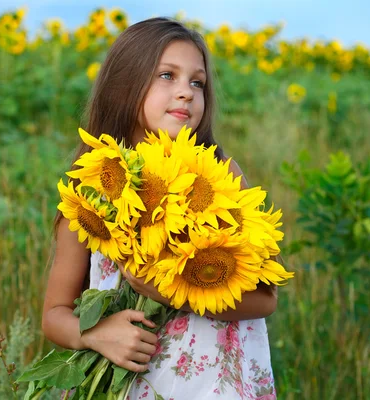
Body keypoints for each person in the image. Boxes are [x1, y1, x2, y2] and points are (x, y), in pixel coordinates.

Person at [42, 17, 279, 399]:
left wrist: (172, 291)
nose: (185, 92)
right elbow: (54, 315)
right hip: (137, 385)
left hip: (218, 385)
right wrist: (97, 334)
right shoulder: (92, 190)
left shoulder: (220, 176)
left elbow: (266, 298)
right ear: (124, 84)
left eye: (197, 82)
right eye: (167, 76)